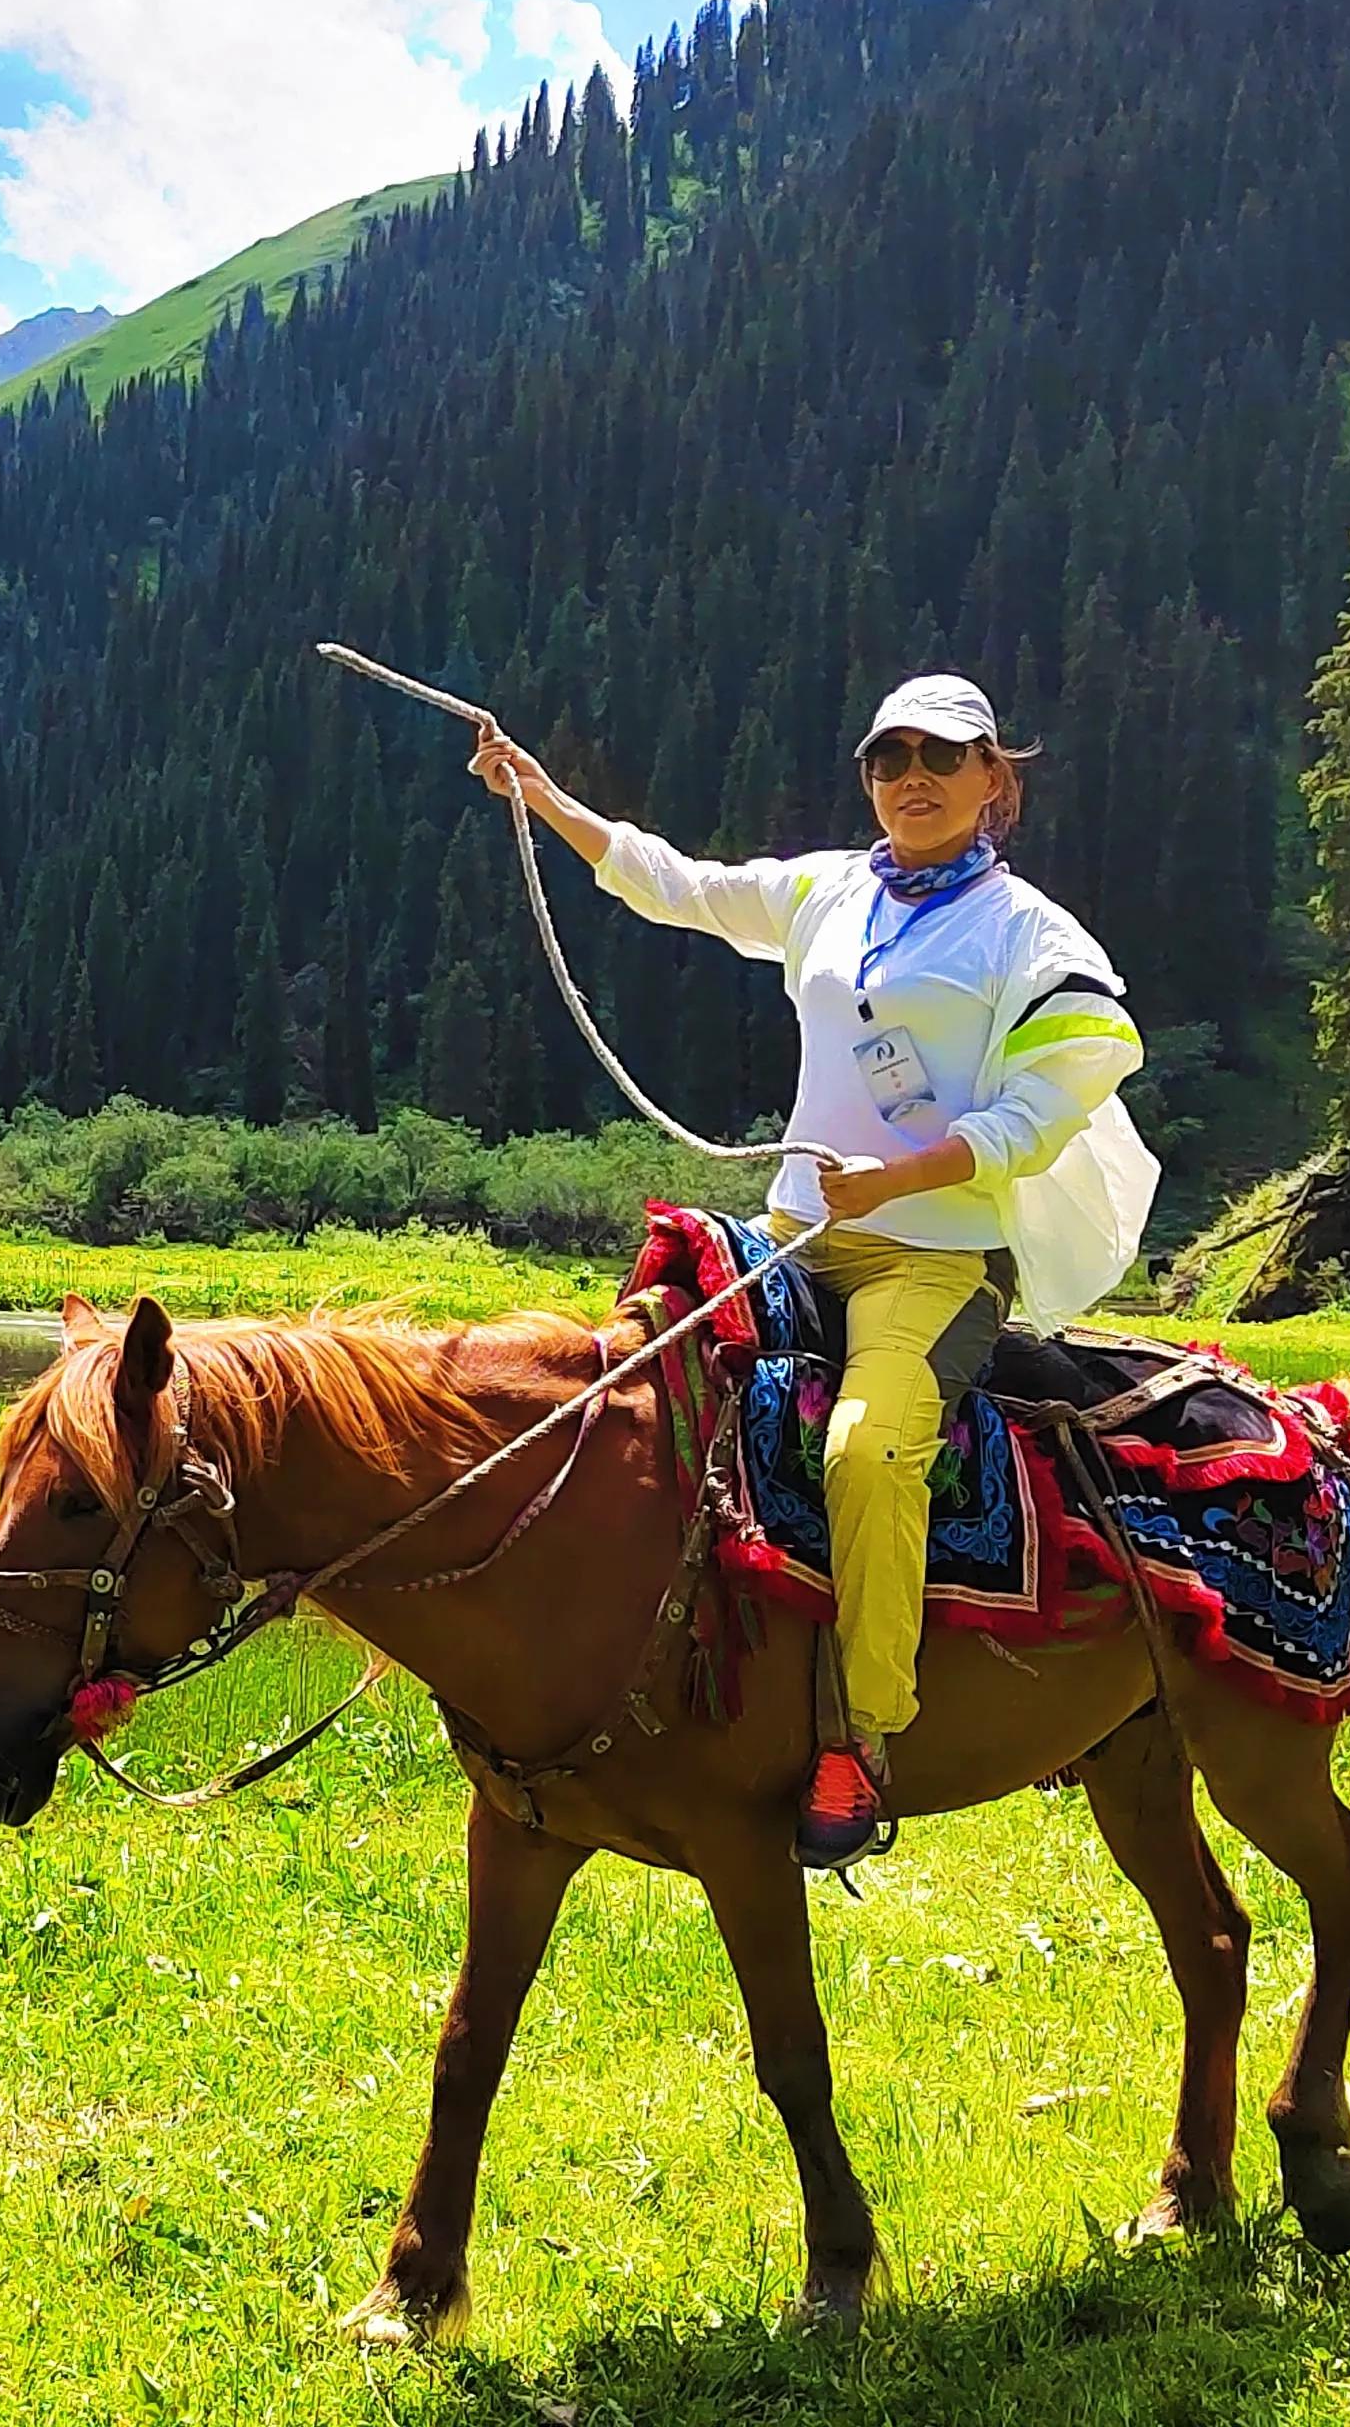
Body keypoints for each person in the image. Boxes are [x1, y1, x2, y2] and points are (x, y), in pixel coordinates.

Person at [468, 674, 1156, 1867]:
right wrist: (545, 801)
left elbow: (1041, 1114)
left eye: (942, 759)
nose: (913, 781)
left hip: (931, 1257)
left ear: (996, 780)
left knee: (866, 1451)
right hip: (793, 1236)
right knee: (632, 1385)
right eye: (890, 760)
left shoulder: (1034, 940)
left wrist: (896, 1183)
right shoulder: (829, 891)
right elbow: (679, 884)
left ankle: (862, 1737)